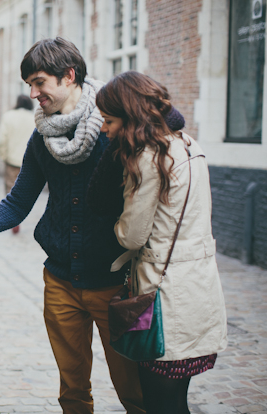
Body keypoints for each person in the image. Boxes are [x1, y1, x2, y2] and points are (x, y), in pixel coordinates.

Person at [0, 37, 146, 413]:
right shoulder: (41, 139)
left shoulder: (113, 131)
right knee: (72, 392)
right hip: (60, 282)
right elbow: (17, 202)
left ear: (68, 76)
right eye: (29, 85)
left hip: (115, 285)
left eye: (39, 82)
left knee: (133, 390)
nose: (33, 93)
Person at [95, 71, 227, 414]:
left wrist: (113, 225)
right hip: (197, 290)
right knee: (174, 399)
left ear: (130, 116)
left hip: (164, 299)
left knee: (159, 403)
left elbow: (131, 235)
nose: (104, 129)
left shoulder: (148, 156)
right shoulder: (188, 144)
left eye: (109, 120)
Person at [0, 94, 35, 233]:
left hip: (12, 160)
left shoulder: (9, 116)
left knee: (10, 189)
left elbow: (2, 139)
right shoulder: (34, 117)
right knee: (27, 191)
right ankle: (20, 216)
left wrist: (4, 156)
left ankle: (13, 219)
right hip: (30, 162)